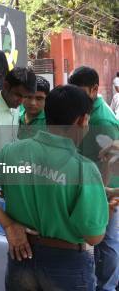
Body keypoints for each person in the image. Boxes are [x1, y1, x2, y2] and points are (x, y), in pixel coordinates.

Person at [0, 85, 109, 291]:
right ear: (82, 120)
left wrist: (8, 225)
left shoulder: (13, 151)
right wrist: (107, 209)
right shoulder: (84, 169)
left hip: (22, 256)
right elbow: (93, 236)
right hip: (67, 265)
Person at [69, 66, 119, 291]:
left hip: (106, 189)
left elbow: (109, 162)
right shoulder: (86, 109)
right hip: (94, 184)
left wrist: (100, 196)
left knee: (107, 241)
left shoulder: (102, 120)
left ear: (94, 89)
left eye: (79, 92)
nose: (75, 97)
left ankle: (107, 286)